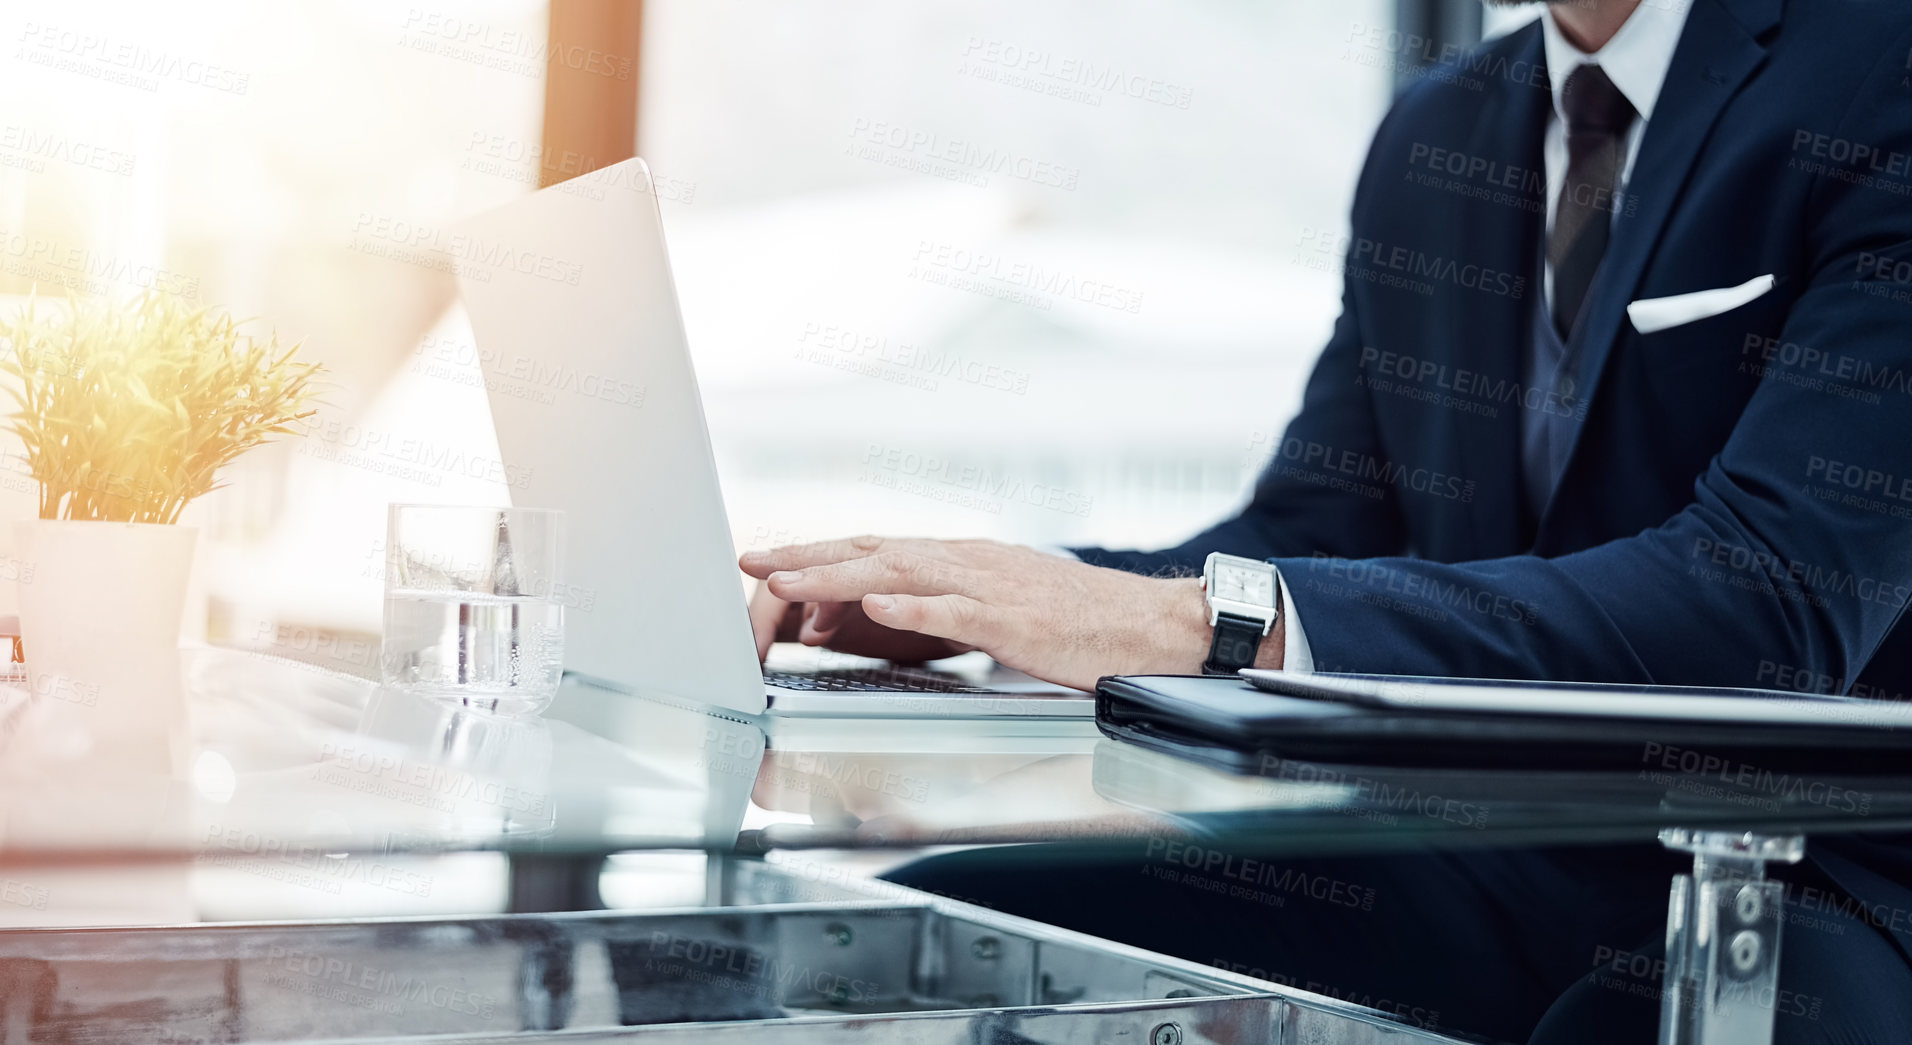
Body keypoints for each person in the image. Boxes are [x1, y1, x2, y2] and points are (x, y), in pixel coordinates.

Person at [741, 0, 1912, 1039]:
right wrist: (984, 601)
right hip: (1488, 848)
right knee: (954, 929)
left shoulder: (1877, 68)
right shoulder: (1441, 128)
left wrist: (1183, 621)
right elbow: (1316, 529)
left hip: (1820, 872)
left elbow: (1769, 604)